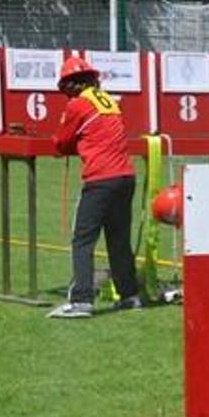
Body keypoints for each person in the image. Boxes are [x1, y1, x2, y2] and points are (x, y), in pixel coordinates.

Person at [48, 56, 141, 319]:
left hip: (101, 179)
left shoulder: (78, 105)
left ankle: (81, 300)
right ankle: (129, 295)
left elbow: (61, 143)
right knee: (119, 240)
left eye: (66, 88)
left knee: (83, 240)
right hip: (125, 177)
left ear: (73, 85)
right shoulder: (108, 100)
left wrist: (64, 142)